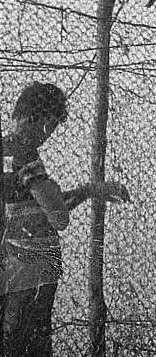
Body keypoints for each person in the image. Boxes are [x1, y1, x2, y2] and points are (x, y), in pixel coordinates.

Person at [1, 81, 130, 357]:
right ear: (45, 121)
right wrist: (90, 190)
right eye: (52, 126)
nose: (48, 135)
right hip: (31, 271)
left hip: (5, 268)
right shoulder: (25, 158)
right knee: (29, 348)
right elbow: (58, 215)